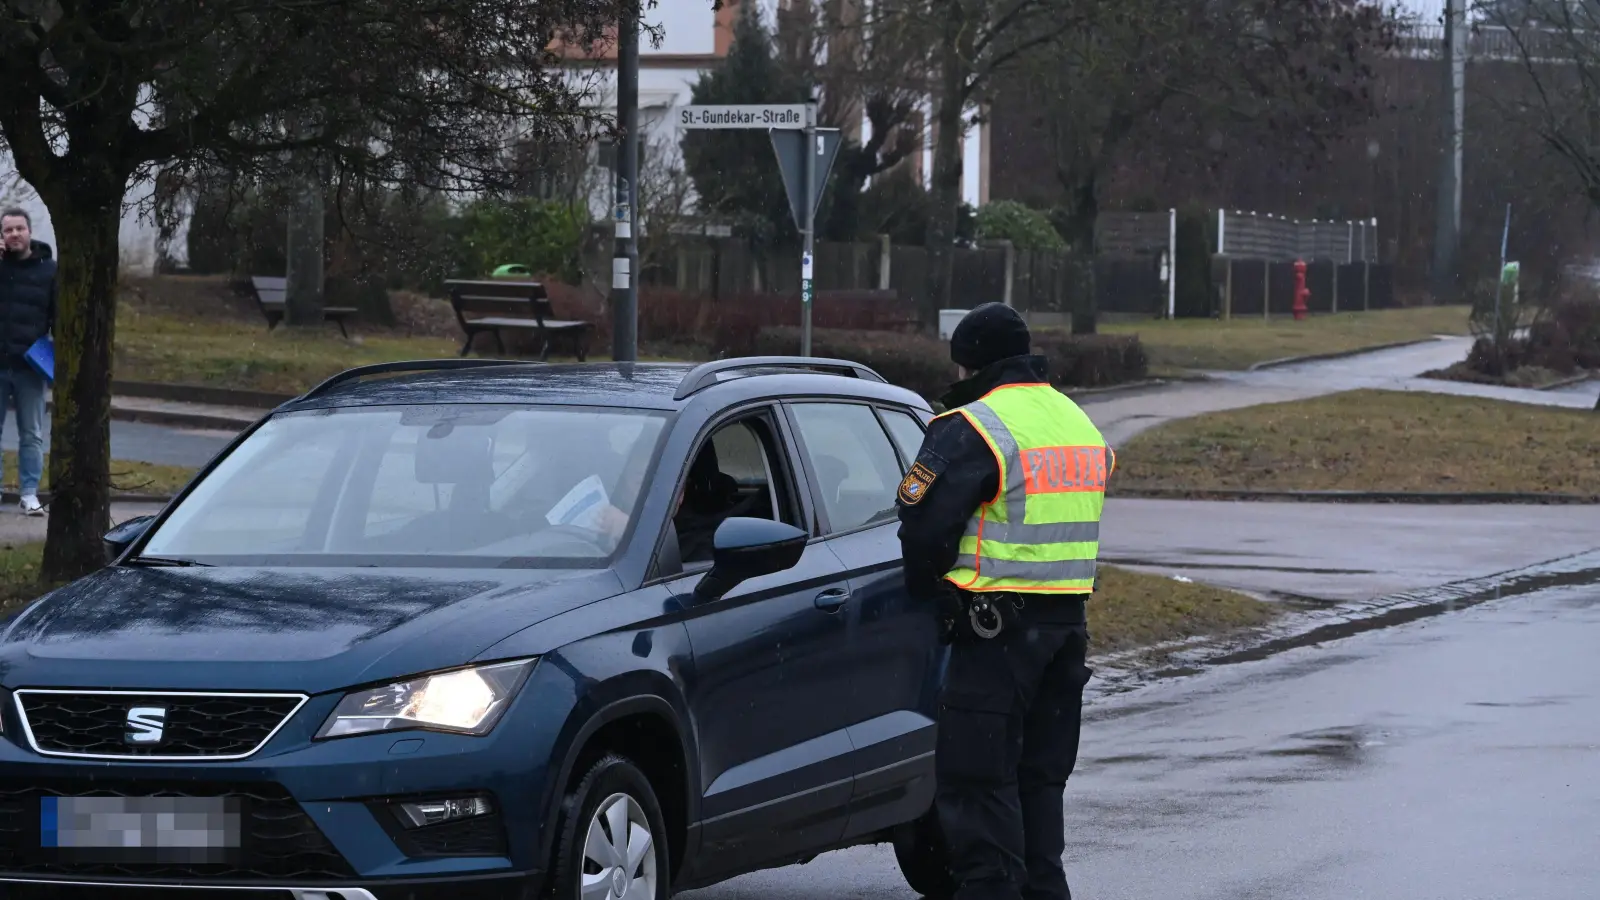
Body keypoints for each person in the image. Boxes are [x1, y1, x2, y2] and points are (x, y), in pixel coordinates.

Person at [895, 302, 1114, 900]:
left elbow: (922, 528)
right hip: (1066, 633)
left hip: (995, 640)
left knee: (977, 785)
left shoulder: (972, 426)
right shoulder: (1078, 423)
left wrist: (930, 595)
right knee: (1039, 784)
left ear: (971, 363)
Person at [0, 208, 54, 517]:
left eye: (19, 228)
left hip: (29, 367)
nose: (15, 234)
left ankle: (29, 493)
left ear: (29, 232)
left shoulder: (49, 270)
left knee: (31, 433)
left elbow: (58, 316)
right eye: (8, 230)